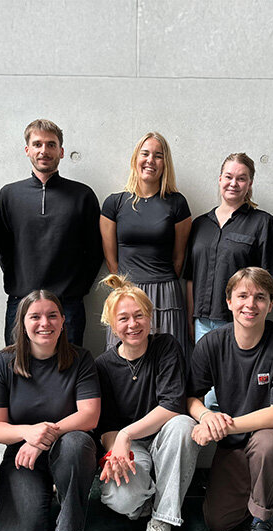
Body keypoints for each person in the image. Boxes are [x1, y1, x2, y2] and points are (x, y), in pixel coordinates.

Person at [188, 267, 273, 531]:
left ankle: (263, 522)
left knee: (266, 443)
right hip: (239, 437)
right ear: (228, 301)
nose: (250, 304)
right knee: (218, 521)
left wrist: (222, 426)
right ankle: (260, 486)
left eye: (260, 297)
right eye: (242, 295)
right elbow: (189, 397)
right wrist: (206, 417)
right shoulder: (212, 343)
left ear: (271, 303)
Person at [0, 290, 100, 531]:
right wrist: (28, 433)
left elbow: (89, 416)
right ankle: (46, 494)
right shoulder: (2, 363)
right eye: (35, 316)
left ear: (63, 321)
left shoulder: (81, 358)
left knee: (76, 443)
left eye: (52, 315)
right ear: (22, 322)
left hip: (69, 449)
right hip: (24, 456)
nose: (44, 323)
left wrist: (42, 436)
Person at [95, 275, 199, 531]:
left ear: (150, 317)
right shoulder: (103, 365)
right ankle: (149, 500)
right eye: (124, 318)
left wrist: (126, 434)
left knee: (184, 426)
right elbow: (106, 427)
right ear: (112, 325)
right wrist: (118, 448)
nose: (133, 324)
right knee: (122, 499)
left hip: (164, 437)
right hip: (130, 445)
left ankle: (161, 522)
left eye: (139, 315)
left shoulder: (166, 346)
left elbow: (172, 405)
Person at [184, 152, 273, 407]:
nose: (233, 183)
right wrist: (190, 319)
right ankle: (210, 445)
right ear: (219, 179)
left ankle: (235, 446)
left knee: (234, 395)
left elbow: (271, 279)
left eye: (241, 178)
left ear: (249, 184)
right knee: (205, 396)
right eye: (228, 177)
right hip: (202, 325)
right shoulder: (200, 225)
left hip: (240, 324)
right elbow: (191, 278)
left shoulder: (262, 224)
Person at [0, 119, 102, 346]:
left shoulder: (82, 196)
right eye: (37, 144)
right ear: (27, 150)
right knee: (17, 370)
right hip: (20, 302)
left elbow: (94, 251)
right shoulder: (9, 195)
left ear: (61, 151)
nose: (44, 151)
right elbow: (2, 248)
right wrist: (20, 283)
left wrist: (76, 290)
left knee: (67, 371)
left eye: (51, 145)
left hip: (67, 305)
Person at [99, 132, 193, 360]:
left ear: (165, 163)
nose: (150, 160)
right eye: (145, 153)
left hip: (166, 293)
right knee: (123, 362)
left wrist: (159, 282)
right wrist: (127, 290)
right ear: (136, 158)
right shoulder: (114, 203)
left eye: (158, 156)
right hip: (127, 293)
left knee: (168, 360)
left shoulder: (177, 203)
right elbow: (111, 260)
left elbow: (179, 258)